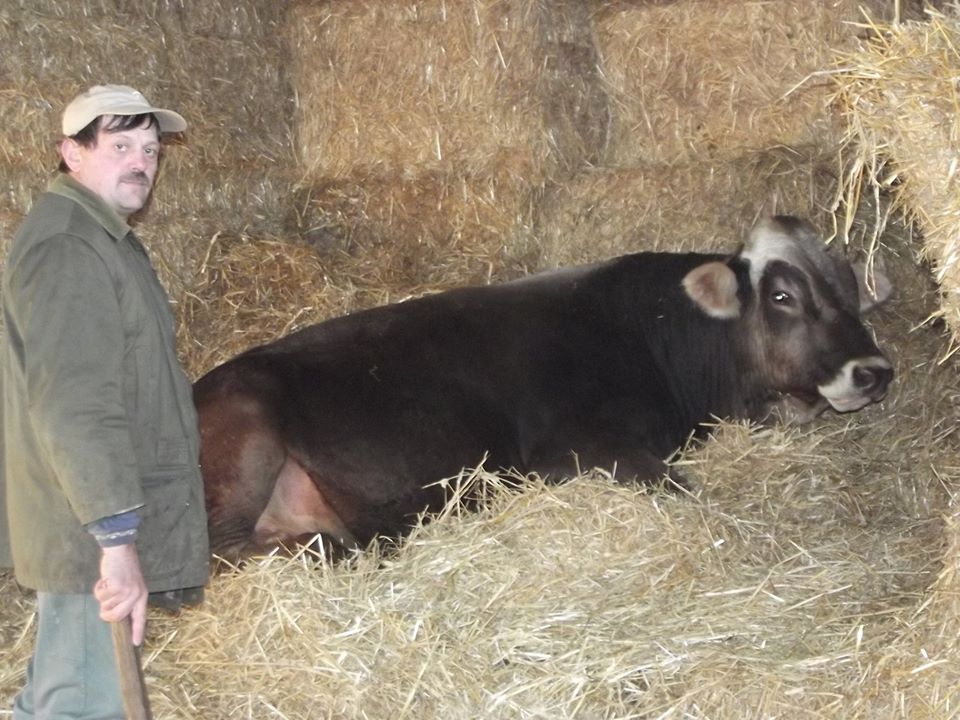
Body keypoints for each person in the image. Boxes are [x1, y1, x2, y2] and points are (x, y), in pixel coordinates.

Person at [0, 84, 210, 718]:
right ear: (72, 153)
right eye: (120, 145)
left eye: (149, 148)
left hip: (83, 521)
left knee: (62, 692)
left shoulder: (99, 239)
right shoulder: (70, 247)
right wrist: (116, 543)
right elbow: (75, 405)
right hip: (85, 533)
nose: (141, 161)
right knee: (88, 705)